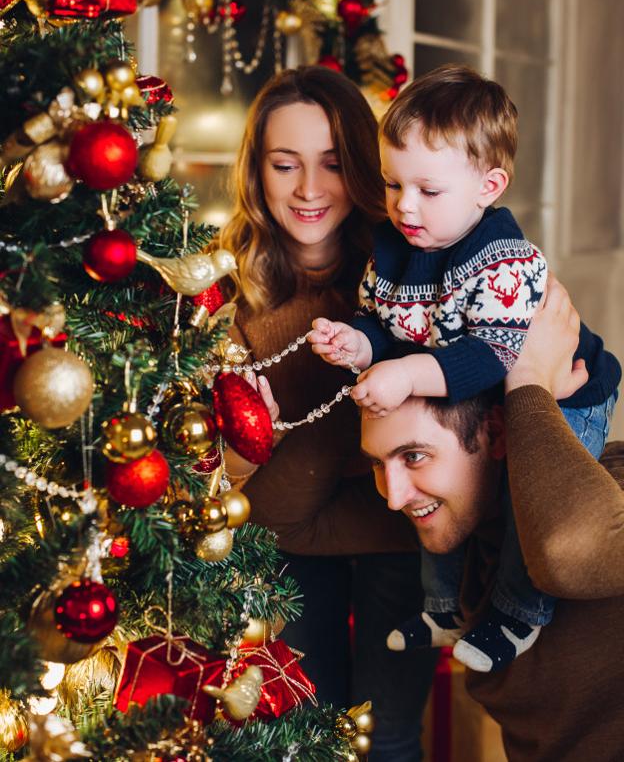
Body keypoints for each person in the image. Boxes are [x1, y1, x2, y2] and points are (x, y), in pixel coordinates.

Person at [310, 64, 620, 671]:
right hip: (480, 401)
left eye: (428, 190)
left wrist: (405, 375)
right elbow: (386, 324)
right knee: (438, 491)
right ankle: (444, 609)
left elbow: (491, 357)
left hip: (564, 396)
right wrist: (359, 344)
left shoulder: (504, 260)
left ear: (489, 185)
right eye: (394, 185)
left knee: (528, 502)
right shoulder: (396, 250)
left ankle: (517, 616)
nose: (405, 206)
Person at [218, 65, 438, 761]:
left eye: (334, 165)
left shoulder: (409, 271)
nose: (309, 190)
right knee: (301, 739)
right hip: (282, 551)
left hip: (402, 537)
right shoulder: (225, 291)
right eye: (286, 164)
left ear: (364, 171)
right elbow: (252, 493)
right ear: (257, 171)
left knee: (388, 736)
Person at [360, 275, 624, 761]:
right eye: (379, 463)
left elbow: (564, 554)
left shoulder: (610, 494)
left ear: (498, 435)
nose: (393, 497)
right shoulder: (467, 554)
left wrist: (528, 382)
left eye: (414, 456)